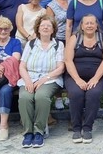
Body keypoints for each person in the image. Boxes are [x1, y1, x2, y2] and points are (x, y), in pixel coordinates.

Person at [18, 15, 64, 148]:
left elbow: (60, 67)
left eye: (48, 26)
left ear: (53, 29)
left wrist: (44, 79)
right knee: (25, 97)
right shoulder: (31, 44)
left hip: (50, 79)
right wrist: (27, 81)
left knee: (41, 96)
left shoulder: (58, 45)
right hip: (29, 77)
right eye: (43, 25)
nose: (45, 27)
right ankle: (28, 132)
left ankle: (39, 131)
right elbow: (22, 65)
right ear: (38, 28)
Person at [64, 14, 103, 143]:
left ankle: (87, 128)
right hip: (74, 75)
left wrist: (96, 78)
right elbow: (68, 61)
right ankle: (76, 128)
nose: (90, 25)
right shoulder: (75, 38)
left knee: (93, 94)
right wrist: (77, 79)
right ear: (82, 26)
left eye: (92, 23)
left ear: (97, 26)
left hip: (98, 76)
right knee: (75, 93)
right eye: (87, 23)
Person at [46, 0, 72, 110]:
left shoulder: (73, 1)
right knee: (58, 67)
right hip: (58, 40)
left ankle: (68, 94)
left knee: (70, 68)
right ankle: (58, 97)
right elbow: (50, 25)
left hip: (72, 39)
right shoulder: (51, 5)